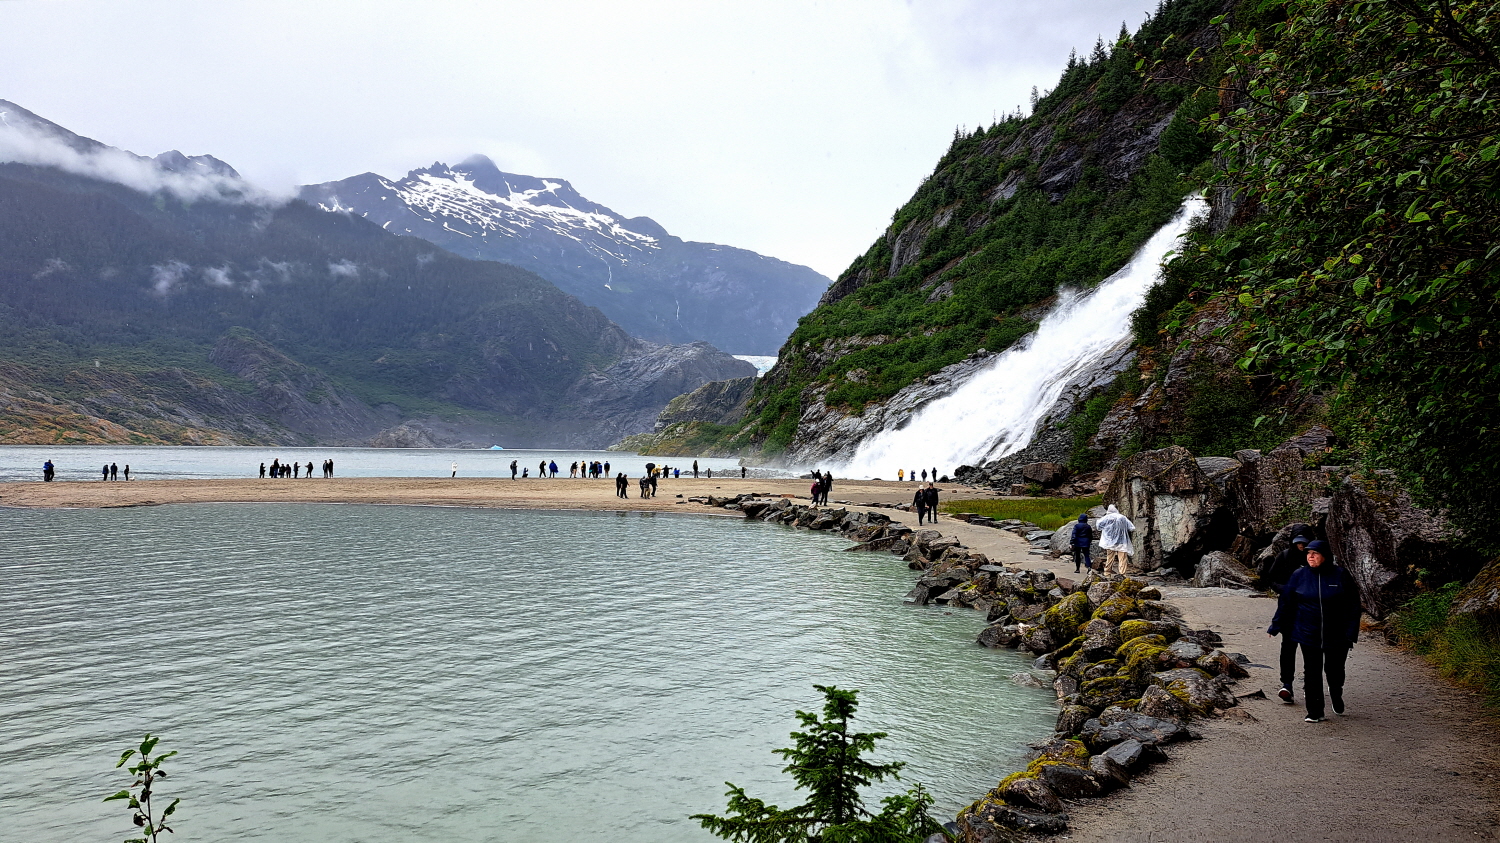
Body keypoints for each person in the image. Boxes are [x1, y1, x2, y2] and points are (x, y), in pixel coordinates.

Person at [1268, 540, 1360, 722]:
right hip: (1308, 632)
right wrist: (1276, 625)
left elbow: (1353, 605)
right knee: (1312, 671)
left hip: (1337, 634)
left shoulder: (1340, 575)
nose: (1310, 556)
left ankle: (1336, 692)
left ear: (1324, 556)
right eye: (1308, 553)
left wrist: (1351, 632)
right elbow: (1286, 602)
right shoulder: (1299, 575)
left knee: (1334, 670)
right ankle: (1315, 711)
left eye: (1315, 553)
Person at [1267, 530, 1314, 703]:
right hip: (1288, 607)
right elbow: (1271, 578)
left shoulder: (1316, 557)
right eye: (1297, 542)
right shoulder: (1285, 556)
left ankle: (1310, 684)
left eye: (1304, 543)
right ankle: (1287, 684)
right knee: (1288, 647)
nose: (1301, 546)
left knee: (1310, 650)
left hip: (1311, 609)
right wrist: (1285, 590)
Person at [1097, 504, 1135, 576]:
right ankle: (1122, 574)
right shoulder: (1122, 517)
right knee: (1122, 558)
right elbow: (1131, 527)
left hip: (1109, 541)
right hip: (1122, 541)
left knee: (1109, 558)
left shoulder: (1106, 518)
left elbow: (1098, 526)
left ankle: (1107, 572)